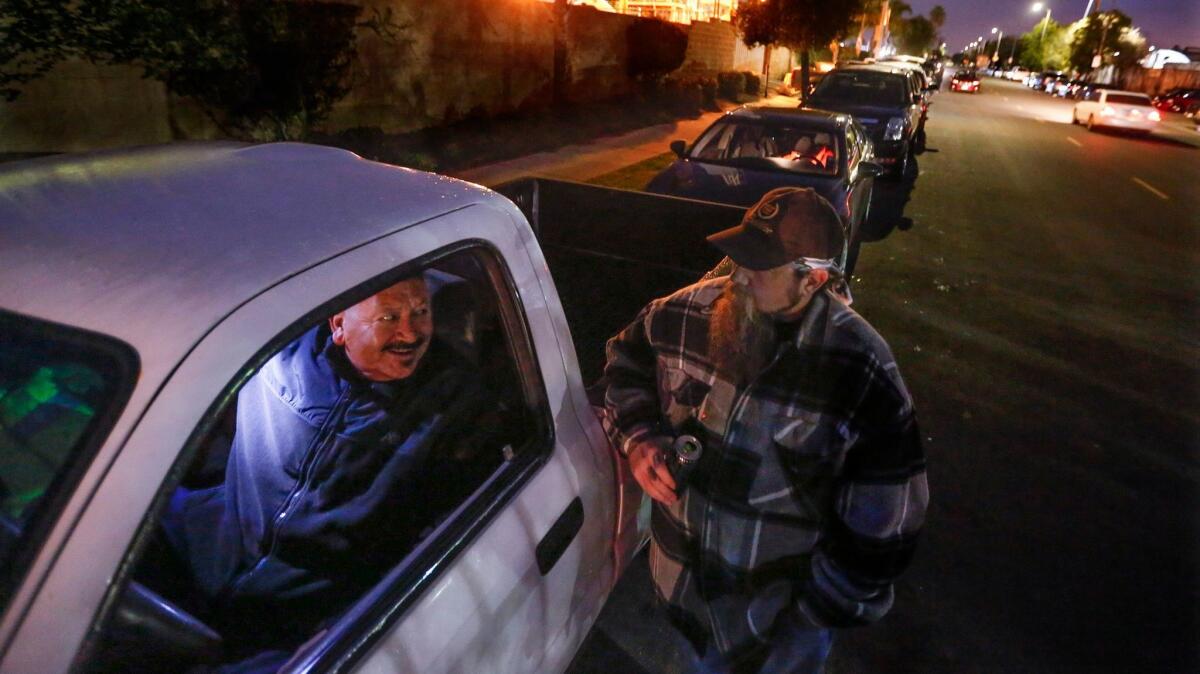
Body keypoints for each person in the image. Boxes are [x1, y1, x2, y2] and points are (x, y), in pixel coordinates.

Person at [603, 187, 928, 673]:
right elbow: (625, 360)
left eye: (760, 265)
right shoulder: (686, 312)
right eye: (740, 254)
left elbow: (887, 526)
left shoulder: (858, 367)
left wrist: (812, 615)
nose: (738, 275)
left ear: (813, 279)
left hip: (776, 630)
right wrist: (640, 440)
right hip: (682, 600)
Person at [160, 274, 498, 666]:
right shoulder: (276, 348)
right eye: (389, 317)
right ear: (339, 325)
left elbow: (450, 523)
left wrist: (344, 620)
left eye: (421, 311)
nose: (411, 331)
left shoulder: (453, 403)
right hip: (206, 544)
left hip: (307, 619)